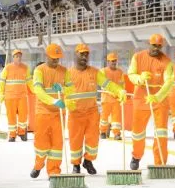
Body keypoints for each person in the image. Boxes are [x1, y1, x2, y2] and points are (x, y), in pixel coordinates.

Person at [67, 44, 126, 175]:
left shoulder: (94, 72)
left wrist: (119, 90)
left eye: (86, 54)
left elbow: (107, 84)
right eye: (82, 54)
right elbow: (62, 90)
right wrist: (66, 101)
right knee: (75, 140)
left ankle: (88, 161)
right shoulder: (68, 74)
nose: (84, 56)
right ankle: (76, 164)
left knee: (93, 140)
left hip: (91, 113)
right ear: (75, 54)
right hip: (75, 113)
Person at [128, 33, 174, 170]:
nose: (156, 48)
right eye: (154, 45)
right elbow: (131, 74)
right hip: (141, 97)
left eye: (159, 46)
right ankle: (136, 156)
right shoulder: (138, 56)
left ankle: (160, 163)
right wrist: (140, 79)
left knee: (161, 132)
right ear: (149, 44)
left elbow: (169, 82)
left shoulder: (166, 62)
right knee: (137, 132)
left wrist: (158, 97)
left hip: (159, 99)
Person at [30, 44, 75, 178]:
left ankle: (54, 171)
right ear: (47, 56)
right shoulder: (39, 70)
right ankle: (38, 164)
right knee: (42, 143)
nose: (56, 61)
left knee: (57, 144)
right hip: (43, 112)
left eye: (58, 58)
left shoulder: (64, 71)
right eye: (53, 58)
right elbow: (38, 90)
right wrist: (53, 101)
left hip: (58, 114)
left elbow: (71, 88)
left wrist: (62, 89)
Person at [0, 49, 33, 142]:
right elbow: (1, 82)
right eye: (16, 56)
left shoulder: (25, 68)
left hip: (22, 96)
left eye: (20, 56)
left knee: (23, 116)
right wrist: (1, 94)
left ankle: (22, 133)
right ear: (13, 58)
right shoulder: (7, 68)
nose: (18, 58)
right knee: (11, 116)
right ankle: (12, 135)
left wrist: (36, 90)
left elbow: (29, 81)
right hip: (10, 97)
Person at [99, 52, 125, 140]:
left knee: (116, 118)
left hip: (116, 99)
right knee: (104, 117)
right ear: (108, 61)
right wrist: (112, 92)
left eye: (115, 61)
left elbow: (122, 85)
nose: (114, 62)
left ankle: (117, 133)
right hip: (106, 98)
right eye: (112, 61)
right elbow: (103, 85)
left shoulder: (120, 72)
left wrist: (121, 93)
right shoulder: (103, 71)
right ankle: (102, 132)